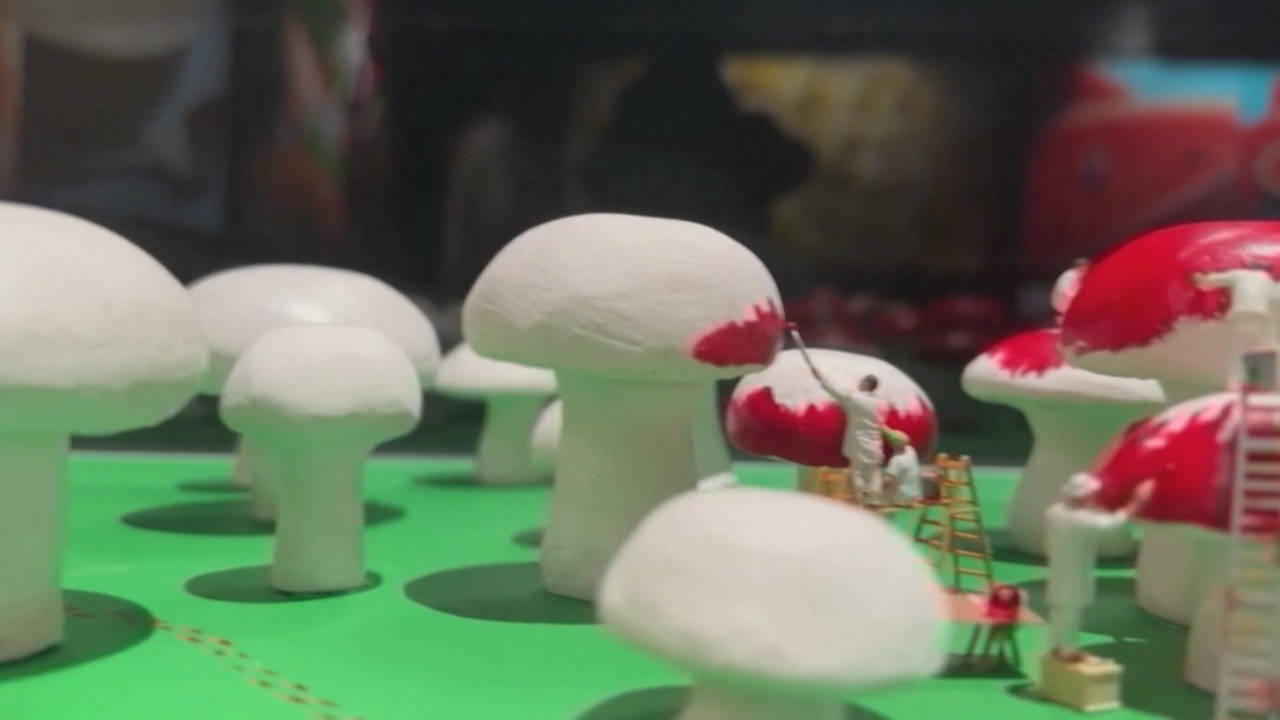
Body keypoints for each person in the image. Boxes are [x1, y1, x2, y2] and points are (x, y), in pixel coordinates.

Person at [1046, 473, 1154, 662]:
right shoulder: (1081, 519)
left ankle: (1056, 647)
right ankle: (1067, 651)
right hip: (1074, 573)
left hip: (1058, 569)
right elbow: (1111, 524)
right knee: (1071, 612)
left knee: (1059, 611)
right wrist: (1136, 503)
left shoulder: (1054, 512)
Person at [882, 429, 921, 505]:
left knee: (883, 487)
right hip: (914, 496)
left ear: (891, 444)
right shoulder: (911, 451)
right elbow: (901, 439)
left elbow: (887, 480)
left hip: (902, 498)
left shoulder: (896, 460)